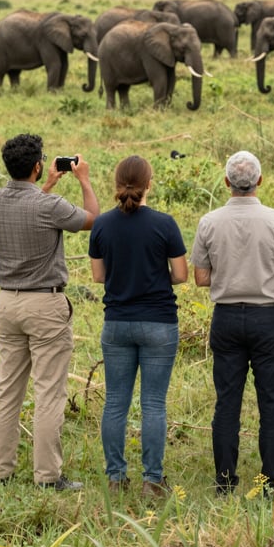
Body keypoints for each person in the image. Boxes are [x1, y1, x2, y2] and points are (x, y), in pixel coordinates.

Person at [0, 134, 99, 491]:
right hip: (45, 304)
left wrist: (46, 183)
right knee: (49, 391)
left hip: (7, 303)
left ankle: (1, 472)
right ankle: (47, 476)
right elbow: (93, 218)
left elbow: (28, 208)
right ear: (37, 166)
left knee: (7, 389)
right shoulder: (50, 206)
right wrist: (83, 179)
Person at [191, 151, 274, 496]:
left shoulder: (209, 221)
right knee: (271, 403)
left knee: (227, 402)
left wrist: (230, 275)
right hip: (266, 315)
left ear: (227, 182)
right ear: (260, 181)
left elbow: (201, 277)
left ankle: (225, 481)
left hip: (225, 316)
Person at [89, 155, 188, 499]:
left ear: (116, 184)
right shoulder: (165, 224)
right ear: (150, 184)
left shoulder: (102, 225)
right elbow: (181, 274)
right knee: (154, 404)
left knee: (115, 401)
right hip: (159, 322)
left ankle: (116, 477)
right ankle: (153, 479)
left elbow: (98, 276)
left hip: (116, 322)